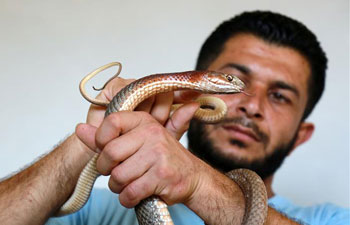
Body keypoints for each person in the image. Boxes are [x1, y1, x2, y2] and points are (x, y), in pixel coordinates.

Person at [0, 10, 348, 225]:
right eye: (232, 78)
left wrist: (199, 182)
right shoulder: (103, 210)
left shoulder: (331, 219)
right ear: (198, 84)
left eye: (279, 96)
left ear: (302, 135)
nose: (251, 103)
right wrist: (93, 138)